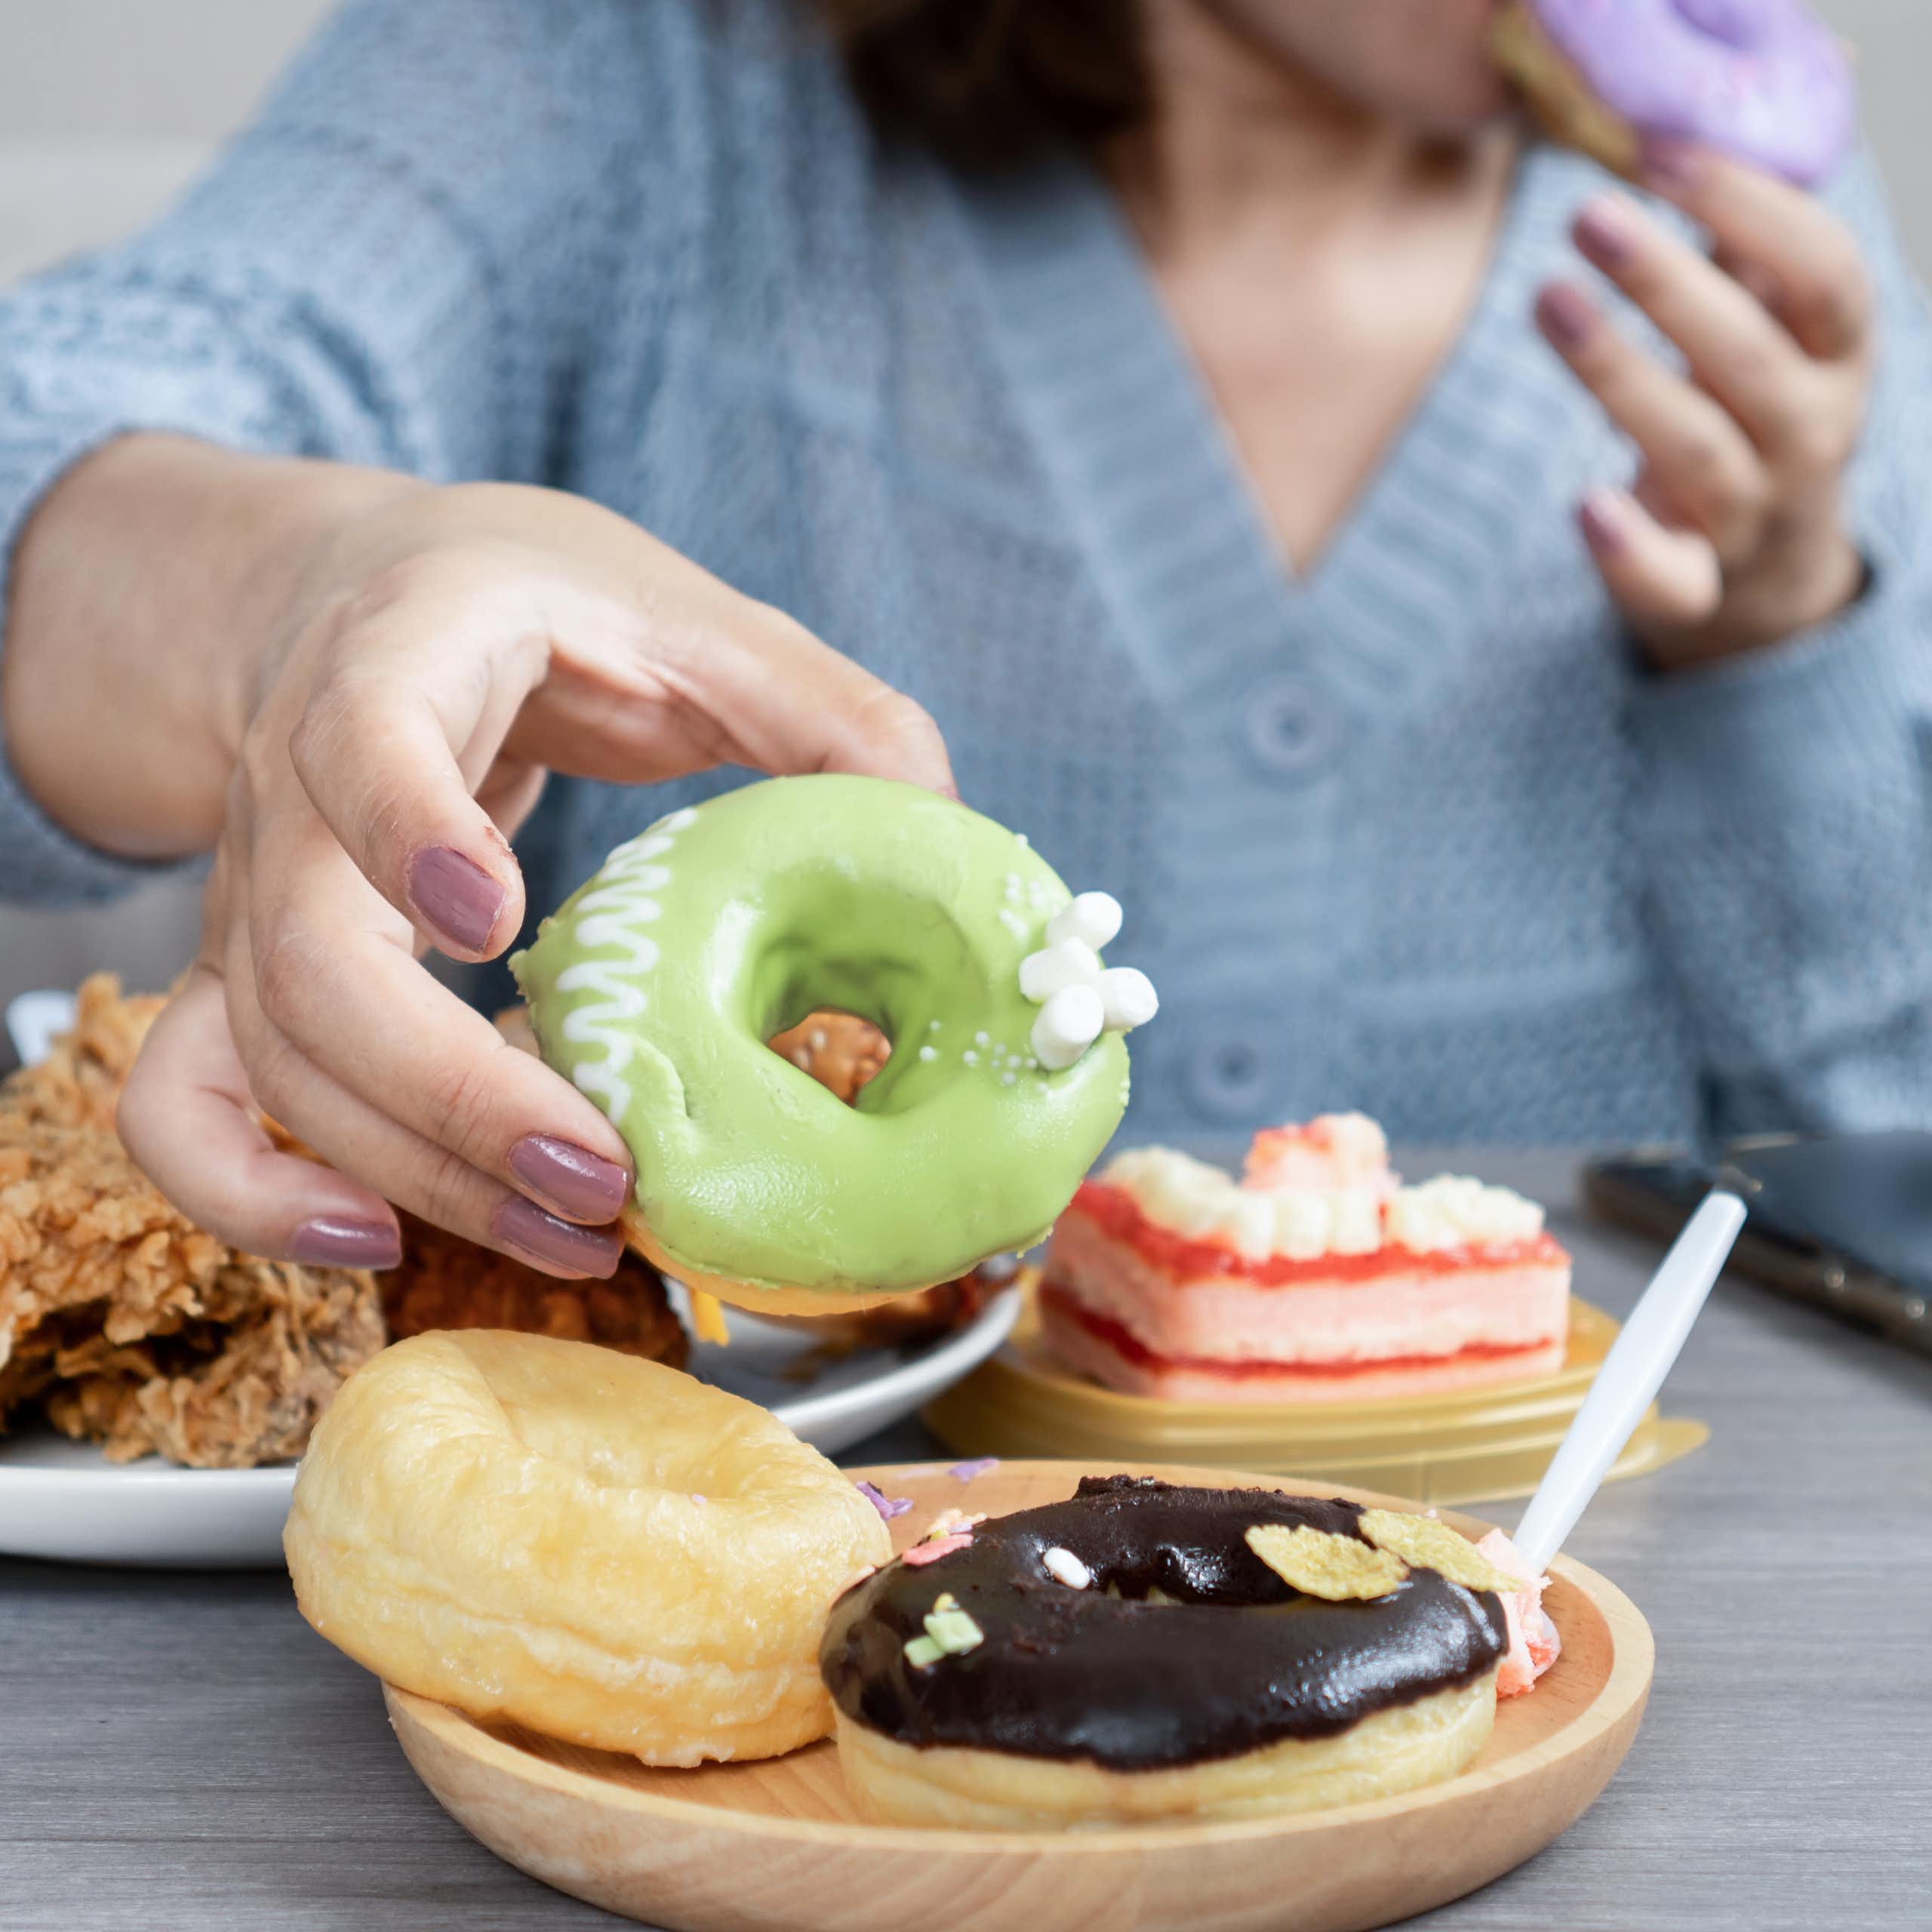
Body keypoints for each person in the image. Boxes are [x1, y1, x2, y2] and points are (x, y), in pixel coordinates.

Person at [2, 0, 1927, 1284]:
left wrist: (1785, 636)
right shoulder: (619, 72)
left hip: (1624, 1541)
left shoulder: (1763, 233)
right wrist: (303, 586)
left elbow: (1881, 1128)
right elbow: (78, 422)